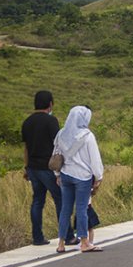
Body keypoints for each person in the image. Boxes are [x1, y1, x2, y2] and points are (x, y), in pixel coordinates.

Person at [22, 90, 76, 246]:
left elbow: (25, 148)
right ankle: (67, 235)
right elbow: (59, 143)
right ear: (50, 103)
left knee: (37, 201)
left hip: (33, 168)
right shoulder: (51, 121)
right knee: (61, 199)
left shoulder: (27, 122)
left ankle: (37, 237)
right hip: (48, 168)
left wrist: (26, 168)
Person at [54, 106, 104, 253]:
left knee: (65, 210)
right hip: (82, 177)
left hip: (65, 175)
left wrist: (57, 175)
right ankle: (84, 242)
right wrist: (99, 177)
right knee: (81, 209)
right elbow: (95, 159)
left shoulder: (61, 134)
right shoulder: (87, 136)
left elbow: (56, 155)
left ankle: (61, 243)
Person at [73, 177, 100, 246]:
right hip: (81, 209)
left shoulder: (88, 189)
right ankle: (83, 242)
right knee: (81, 227)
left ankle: (90, 242)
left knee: (90, 228)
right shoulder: (84, 188)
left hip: (87, 208)